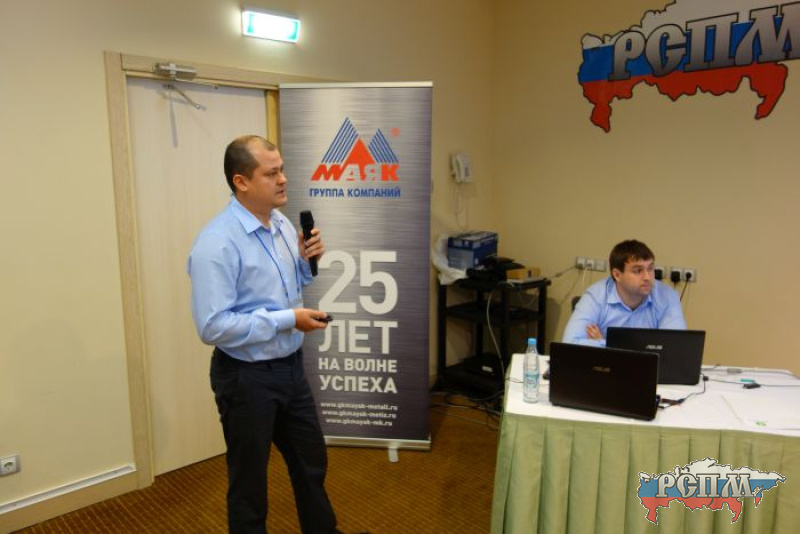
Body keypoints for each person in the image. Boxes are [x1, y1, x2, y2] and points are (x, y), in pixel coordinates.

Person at [188, 135, 356, 534]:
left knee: (310, 462)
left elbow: (288, 288)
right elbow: (212, 326)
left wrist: (307, 261)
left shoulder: (279, 223)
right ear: (241, 181)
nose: (283, 179)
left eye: (282, 169)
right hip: (246, 378)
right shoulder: (216, 243)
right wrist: (288, 320)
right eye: (272, 173)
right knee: (249, 482)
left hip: (290, 368)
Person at [562, 239, 686, 346]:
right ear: (617, 275)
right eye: (638, 271)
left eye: (650, 268)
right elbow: (570, 343)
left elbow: (675, 347)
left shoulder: (667, 297)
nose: (647, 277)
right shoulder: (596, 296)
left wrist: (606, 344)